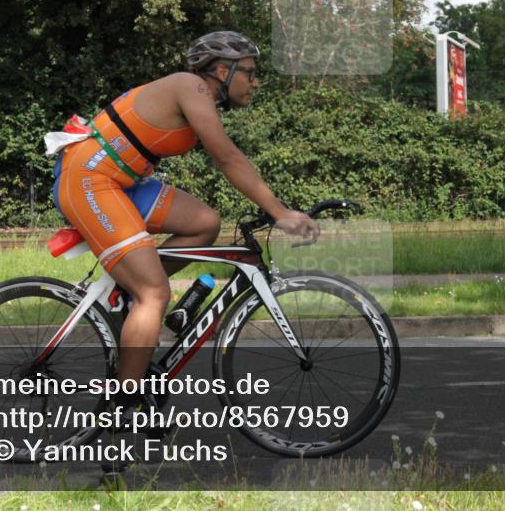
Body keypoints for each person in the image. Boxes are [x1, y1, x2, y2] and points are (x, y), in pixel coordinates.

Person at [49, 31, 319, 398]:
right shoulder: (191, 87)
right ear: (222, 70)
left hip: (122, 181)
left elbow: (228, 158)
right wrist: (280, 212)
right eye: (250, 72)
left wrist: (276, 207)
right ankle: (126, 403)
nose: (256, 82)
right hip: (90, 179)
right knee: (153, 293)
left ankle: (132, 294)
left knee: (204, 224)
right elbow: (227, 158)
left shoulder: (201, 96)